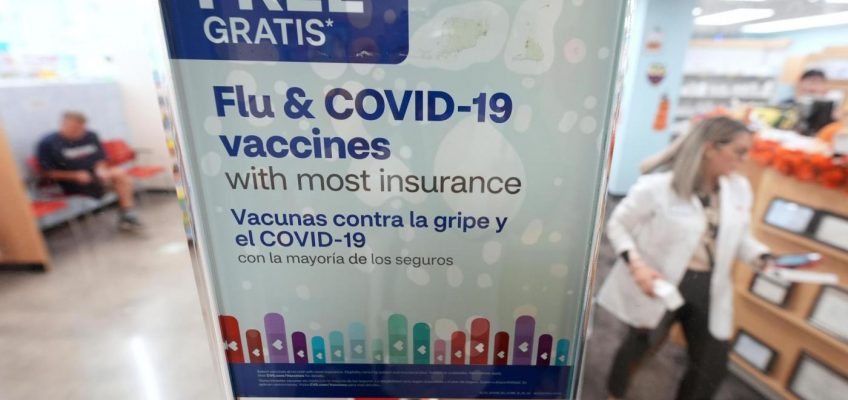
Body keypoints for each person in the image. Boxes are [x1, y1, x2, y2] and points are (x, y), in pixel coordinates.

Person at [597, 116, 771, 400]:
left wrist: (762, 256)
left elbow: (740, 237)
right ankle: (614, 395)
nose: (745, 159)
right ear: (711, 148)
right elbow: (617, 225)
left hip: (708, 285)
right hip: (662, 281)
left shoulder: (738, 189)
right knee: (640, 345)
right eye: (739, 151)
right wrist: (637, 266)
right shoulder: (658, 187)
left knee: (711, 365)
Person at [37, 111, 143, 231]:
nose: (79, 132)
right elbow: (48, 173)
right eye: (75, 129)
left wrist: (101, 169)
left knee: (120, 175)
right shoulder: (48, 143)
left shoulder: (90, 136)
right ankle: (126, 213)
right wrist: (74, 175)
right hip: (71, 183)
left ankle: (127, 213)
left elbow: (101, 158)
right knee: (122, 183)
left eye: (81, 128)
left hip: (95, 176)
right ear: (64, 125)